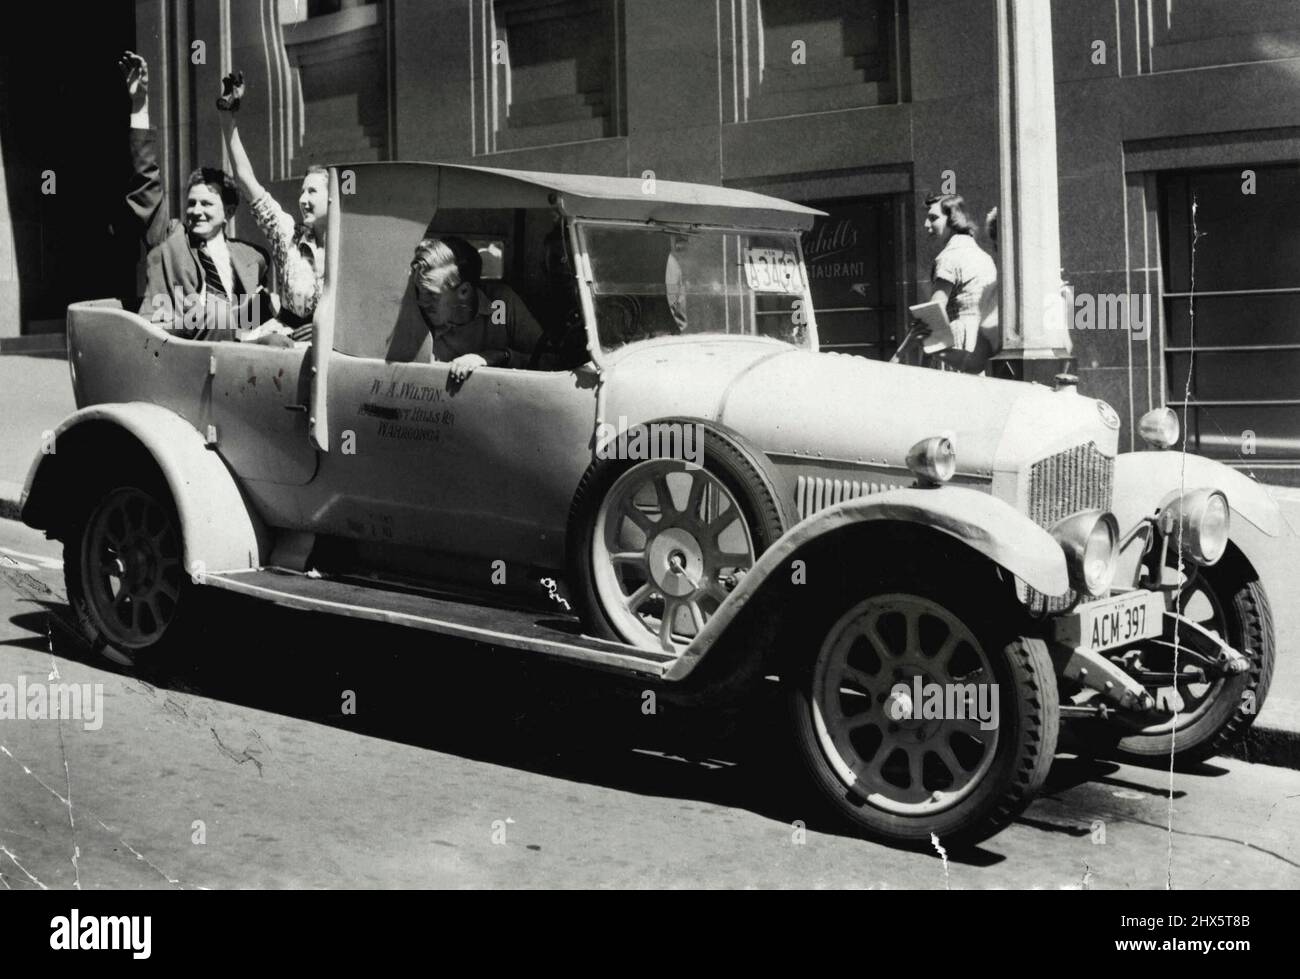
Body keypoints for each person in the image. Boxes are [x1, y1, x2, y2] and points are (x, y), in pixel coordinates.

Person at [119, 52, 273, 340]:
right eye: (191, 203)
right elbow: (145, 179)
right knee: (219, 320)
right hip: (177, 352)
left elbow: (253, 321)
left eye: (206, 203)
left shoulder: (252, 257)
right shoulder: (168, 238)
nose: (196, 210)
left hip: (231, 361)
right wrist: (140, 104)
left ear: (228, 213)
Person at [216, 70, 328, 347]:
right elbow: (245, 179)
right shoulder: (288, 233)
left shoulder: (353, 248)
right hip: (284, 347)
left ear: (334, 198)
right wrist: (227, 116)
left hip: (335, 353)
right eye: (302, 190)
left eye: (312, 191)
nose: (302, 199)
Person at [409, 236, 543, 382]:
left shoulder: (501, 303)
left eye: (431, 294)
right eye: (418, 291)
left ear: (464, 292)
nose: (421, 302)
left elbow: (549, 360)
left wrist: (498, 357)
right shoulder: (415, 313)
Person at [921, 193, 998, 372]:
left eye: (933, 218)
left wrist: (926, 356)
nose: (927, 225)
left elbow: (934, 311)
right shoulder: (983, 256)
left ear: (953, 219)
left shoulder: (947, 257)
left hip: (958, 343)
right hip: (981, 343)